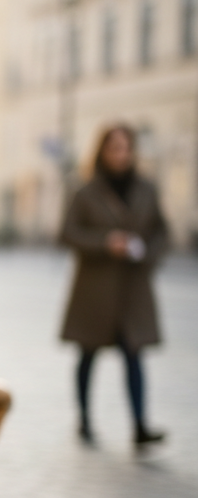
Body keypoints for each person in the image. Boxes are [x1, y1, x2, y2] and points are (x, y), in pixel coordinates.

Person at [59, 124, 168, 447]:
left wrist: (147, 253)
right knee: (88, 353)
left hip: (132, 288)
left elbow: (162, 231)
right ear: (102, 151)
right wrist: (106, 242)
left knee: (134, 354)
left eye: (126, 147)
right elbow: (68, 233)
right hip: (95, 287)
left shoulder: (146, 190)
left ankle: (139, 426)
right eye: (114, 148)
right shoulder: (86, 190)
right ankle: (85, 420)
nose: (121, 154)